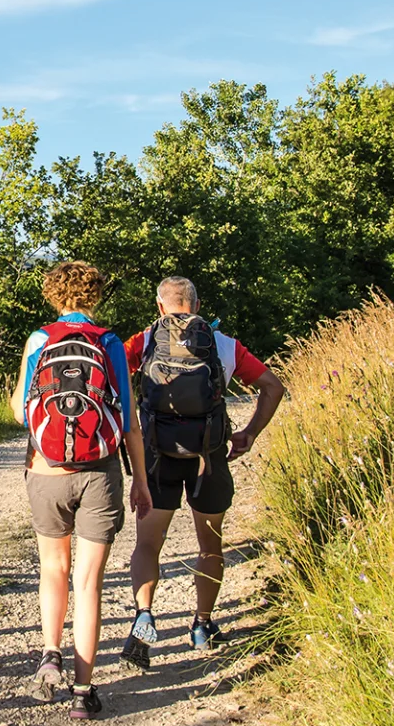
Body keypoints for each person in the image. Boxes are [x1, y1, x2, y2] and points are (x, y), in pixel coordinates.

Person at [118, 277, 286, 671]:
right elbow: (273, 387)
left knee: (147, 544)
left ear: (160, 306)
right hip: (208, 457)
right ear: (197, 303)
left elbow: (109, 380)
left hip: (158, 455)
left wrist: (128, 432)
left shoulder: (143, 341)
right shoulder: (223, 344)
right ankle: (202, 626)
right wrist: (248, 434)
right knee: (210, 545)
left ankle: (144, 618)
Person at [11, 260, 151, 720]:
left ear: (53, 294)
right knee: (88, 582)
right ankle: (83, 691)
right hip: (100, 470)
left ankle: (50, 653)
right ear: (96, 295)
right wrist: (141, 482)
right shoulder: (109, 342)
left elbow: (19, 410)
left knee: (53, 568)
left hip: (46, 470)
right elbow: (128, 419)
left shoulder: (39, 339)